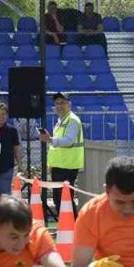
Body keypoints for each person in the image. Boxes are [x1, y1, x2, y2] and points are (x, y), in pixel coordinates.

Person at [38, 92, 84, 221]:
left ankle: (72, 228)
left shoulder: (72, 120)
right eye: (57, 103)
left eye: (62, 103)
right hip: (60, 166)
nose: (59, 106)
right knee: (60, 200)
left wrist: (50, 139)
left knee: (64, 200)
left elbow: (69, 141)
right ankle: (68, 227)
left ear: (69, 104)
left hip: (67, 166)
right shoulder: (61, 121)